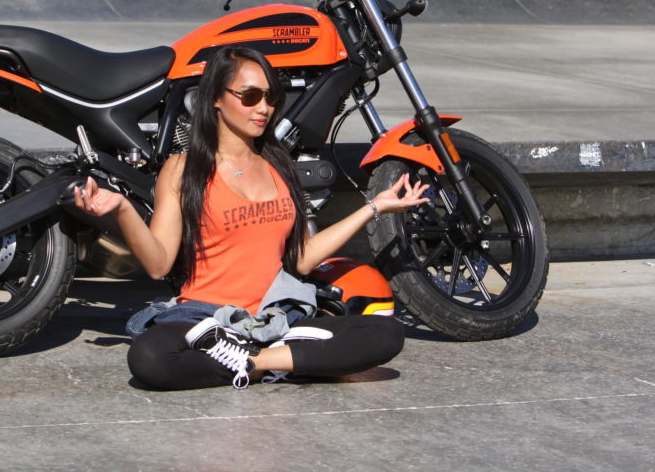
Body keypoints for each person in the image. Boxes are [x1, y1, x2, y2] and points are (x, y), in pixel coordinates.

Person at [73, 46, 429, 389]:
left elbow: (302, 258)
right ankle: (284, 361)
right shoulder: (183, 169)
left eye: (271, 98)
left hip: (277, 318)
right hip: (206, 320)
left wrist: (374, 207)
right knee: (150, 356)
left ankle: (253, 363)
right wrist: (122, 209)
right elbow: (158, 264)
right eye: (250, 96)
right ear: (216, 97)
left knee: (385, 333)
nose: (264, 108)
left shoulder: (279, 165)